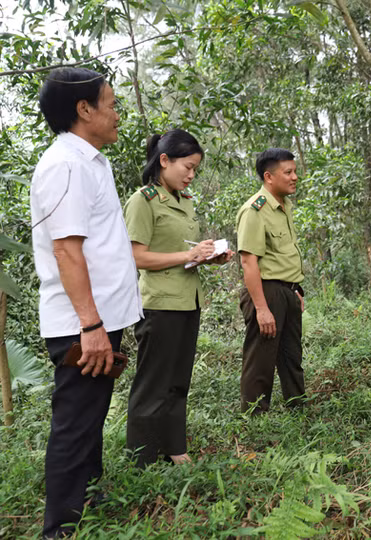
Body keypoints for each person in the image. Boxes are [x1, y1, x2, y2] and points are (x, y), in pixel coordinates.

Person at [30, 67, 143, 538]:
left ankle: (88, 497)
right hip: (83, 322)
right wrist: (91, 325)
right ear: (84, 110)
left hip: (99, 317)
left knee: (91, 415)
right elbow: (66, 250)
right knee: (76, 422)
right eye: (112, 104)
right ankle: (61, 528)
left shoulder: (92, 160)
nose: (118, 114)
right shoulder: (66, 165)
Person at [123, 129, 233, 467]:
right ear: (165, 160)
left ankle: (173, 446)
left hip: (189, 301)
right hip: (159, 304)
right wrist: (185, 256)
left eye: (196, 169)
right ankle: (141, 458)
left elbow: (183, 253)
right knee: (153, 383)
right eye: (187, 166)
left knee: (178, 381)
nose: (191, 175)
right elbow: (136, 256)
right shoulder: (143, 200)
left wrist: (208, 256)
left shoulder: (185, 202)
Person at [236, 148, 306, 413]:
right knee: (261, 360)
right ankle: (254, 419)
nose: (294, 177)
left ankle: (298, 411)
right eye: (287, 172)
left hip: (286, 291)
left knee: (291, 357)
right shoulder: (255, 210)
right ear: (269, 176)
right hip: (266, 292)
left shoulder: (284, 206)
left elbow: (284, 256)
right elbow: (248, 262)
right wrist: (262, 308)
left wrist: (294, 290)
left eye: (294, 171)